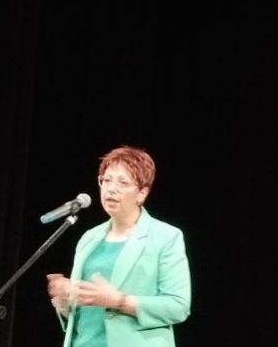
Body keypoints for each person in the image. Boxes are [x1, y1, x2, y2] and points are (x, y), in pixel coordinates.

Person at [46, 145, 191, 347]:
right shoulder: (89, 238)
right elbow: (83, 312)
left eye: (122, 182)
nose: (111, 188)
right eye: (106, 180)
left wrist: (119, 301)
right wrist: (65, 303)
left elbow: (178, 306)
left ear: (142, 193)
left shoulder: (165, 237)